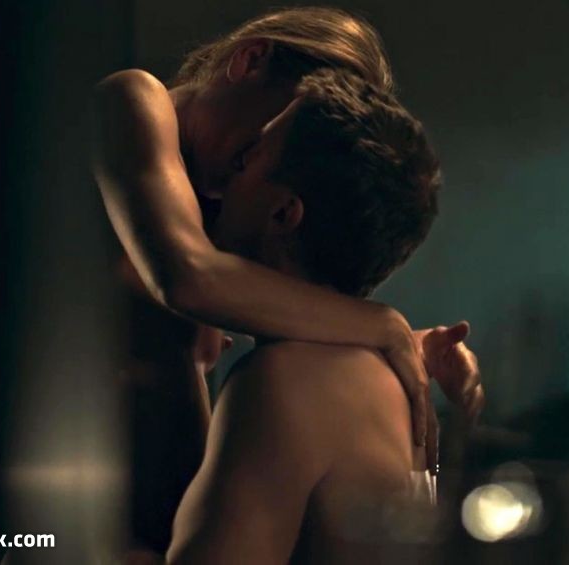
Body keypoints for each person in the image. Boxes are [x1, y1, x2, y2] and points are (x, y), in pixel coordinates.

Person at [91, 7, 483, 556]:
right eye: (268, 135)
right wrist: (381, 325)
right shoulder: (136, 105)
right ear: (251, 61)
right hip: (71, 496)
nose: (244, 164)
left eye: (268, 147)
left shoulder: (226, 223)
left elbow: (307, 335)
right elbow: (188, 278)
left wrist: (398, 348)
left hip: (162, 518)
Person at [168, 67, 440, 564]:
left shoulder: (281, 381)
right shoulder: (395, 382)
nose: (227, 170)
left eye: (249, 157)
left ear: (283, 214)